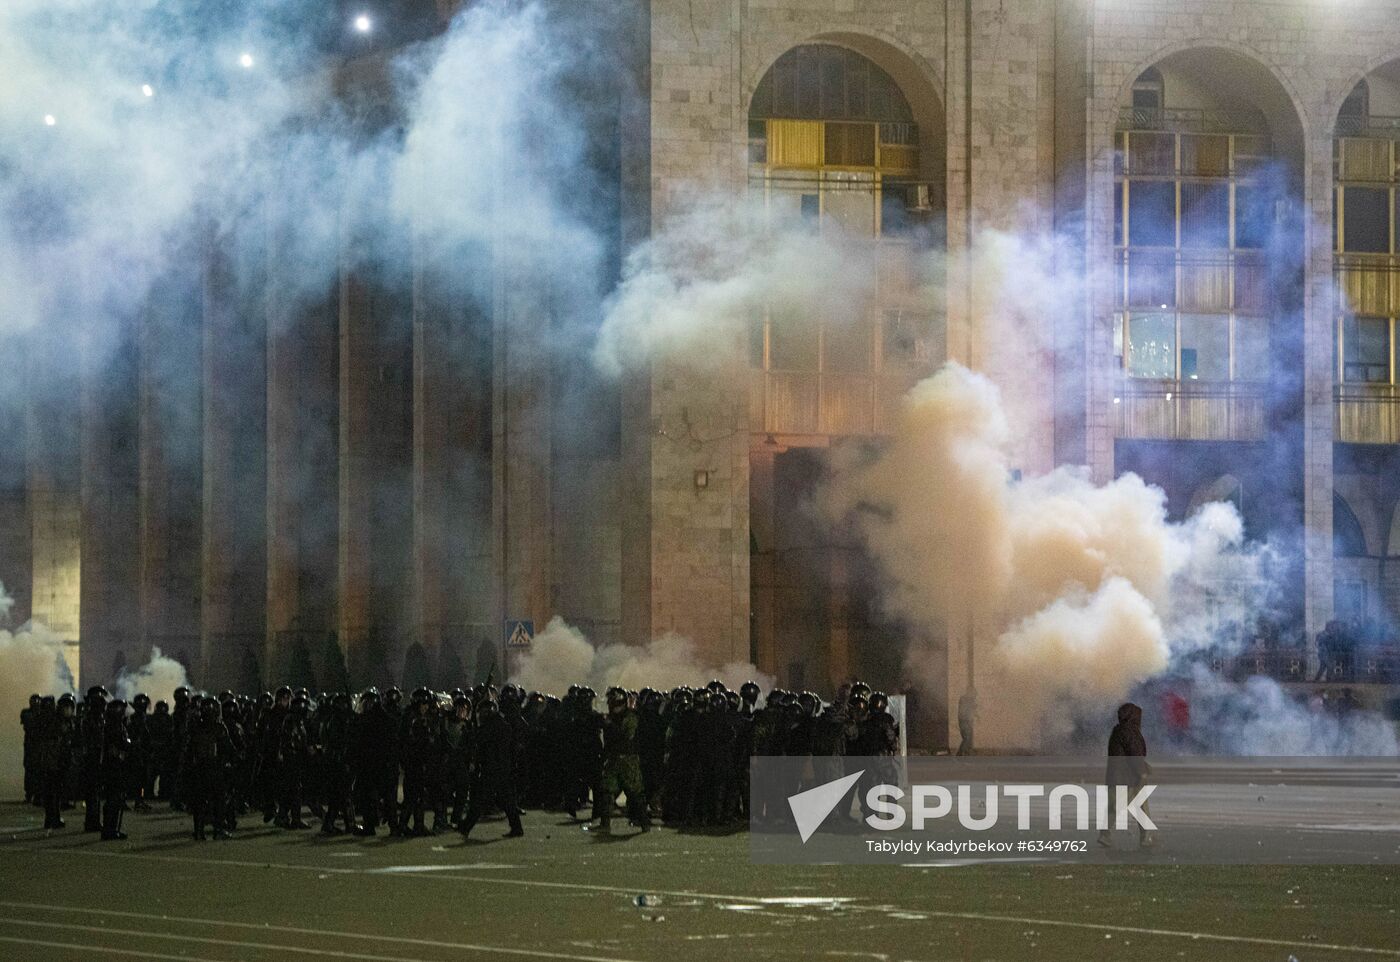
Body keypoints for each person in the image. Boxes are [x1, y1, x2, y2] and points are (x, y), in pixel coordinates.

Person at [459, 698, 524, 840]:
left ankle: (465, 826)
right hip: (502, 767)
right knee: (506, 800)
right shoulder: (501, 724)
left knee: (480, 800)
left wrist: (472, 729)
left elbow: (480, 741)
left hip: (493, 768)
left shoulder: (491, 727)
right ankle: (517, 827)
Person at [592, 687, 649, 833]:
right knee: (607, 791)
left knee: (635, 793)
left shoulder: (630, 717)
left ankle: (644, 823)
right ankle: (605, 824)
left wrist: (609, 725)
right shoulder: (613, 717)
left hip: (628, 760)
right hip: (613, 759)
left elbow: (625, 738)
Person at [1098, 702, 1154, 849]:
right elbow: (1135, 755)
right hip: (1130, 778)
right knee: (1140, 806)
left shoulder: (1117, 732)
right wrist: (1142, 772)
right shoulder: (1131, 732)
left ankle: (1105, 834)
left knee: (1115, 807)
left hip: (1116, 777)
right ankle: (1146, 837)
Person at [956, 688, 977, 756]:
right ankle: (960, 753)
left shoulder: (966, 699)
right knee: (966, 737)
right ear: (969, 692)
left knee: (967, 737)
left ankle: (964, 752)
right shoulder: (965, 699)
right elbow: (964, 711)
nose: (975, 696)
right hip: (964, 721)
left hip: (965, 721)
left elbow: (968, 711)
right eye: (974, 694)